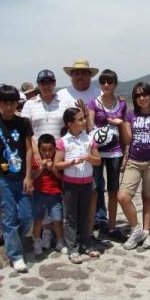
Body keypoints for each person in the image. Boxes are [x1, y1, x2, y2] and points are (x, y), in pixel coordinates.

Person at [0, 84, 34, 273]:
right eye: (5, 103)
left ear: (17, 103)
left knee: (26, 216)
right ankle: (15, 255)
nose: (9, 106)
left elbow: (29, 149)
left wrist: (29, 176)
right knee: (9, 218)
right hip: (3, 179)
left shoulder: (23, 123)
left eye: (12, 102)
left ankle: (15, 243)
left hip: (22, 176)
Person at [117, 83, 150, 250]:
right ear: (135, 98)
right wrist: (122, 122)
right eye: (138, 95)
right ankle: (136, 228)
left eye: (145, 94)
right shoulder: (131, 115)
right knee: (123, 196)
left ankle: (146, 232)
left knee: (149, 197)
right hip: (134, 161)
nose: (142, 98)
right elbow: (127, 140)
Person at [58, 59, 106, 233]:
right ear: (71, 76)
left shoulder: (98, 93)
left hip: (91, 145)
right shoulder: (62, 94)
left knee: (95, 186)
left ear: (90, 76)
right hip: (68, 147)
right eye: (76, 73)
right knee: (69, 188)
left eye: (83, 73)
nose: (79, 76)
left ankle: (96, 221)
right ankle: (72, 223)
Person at [21, 69, 67, 248]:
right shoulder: (30, 105)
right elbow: (27, 131)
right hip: (37, 154)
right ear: (38, 85)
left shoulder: (63, 102)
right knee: (39, 195)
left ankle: (54, 233)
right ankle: (45, 232)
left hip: (59, 154)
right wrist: (38, 155)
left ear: (54, 83)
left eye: (50, 82)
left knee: (56, 195)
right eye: (43, 83)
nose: (46, 86)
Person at [53, 107, 102, 264]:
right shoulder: (63, 142)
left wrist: (89, 158)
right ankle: (73, 248)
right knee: (71, 217)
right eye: (80, 119)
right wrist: (72, 162)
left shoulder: (88, 139)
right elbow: (57, 164)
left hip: (87, 183)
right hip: (70, 185)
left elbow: (98, 160)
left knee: (85, 216)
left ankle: (87, 244)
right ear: (70, 124)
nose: (84, 121)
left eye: (83, 118)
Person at [88, 69, 127, 241]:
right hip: (97, 150)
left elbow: (124, 129)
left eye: (109, 82)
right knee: (95, 189)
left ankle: (111, 227)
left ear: (115, 84)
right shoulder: (93, 103)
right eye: (103, 81)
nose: (106, 85)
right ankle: (89, 229)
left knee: (113, 190)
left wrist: (126, 153)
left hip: (115, 151)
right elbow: (90, 128)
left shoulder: (122, 103)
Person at [31, 134, 66, 255]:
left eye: (50, 150)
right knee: (38, 220)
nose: (47, 153)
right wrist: (41, 168)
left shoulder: (58, 159)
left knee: (57, 218)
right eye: (44, 150)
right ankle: (36, 241)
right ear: (39, 149)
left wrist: (54, 169)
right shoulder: (35, 161)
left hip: (54, 193)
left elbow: (62, 178)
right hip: (38, 193)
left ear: (55, 149)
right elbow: (32, 177)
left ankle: (60, 242)